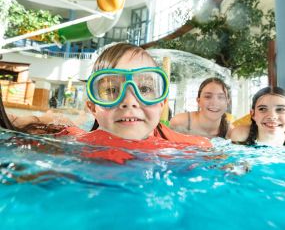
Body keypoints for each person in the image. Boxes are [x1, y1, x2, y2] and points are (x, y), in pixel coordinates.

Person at [0, 43, 212, 163]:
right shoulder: (71, 142)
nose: (130, 101)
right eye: (111, 90)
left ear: (161, 103)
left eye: (145, 89)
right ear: (92, 106)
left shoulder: (190, 149)